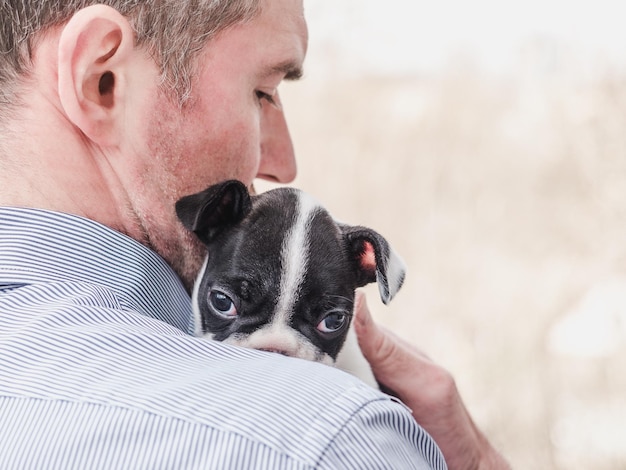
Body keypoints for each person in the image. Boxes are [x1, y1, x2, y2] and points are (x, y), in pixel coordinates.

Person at [0, 1, 509, 468]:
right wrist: (477, 462)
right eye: (262, 93)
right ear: (103, 78)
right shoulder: (332, 438)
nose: (284, 164)